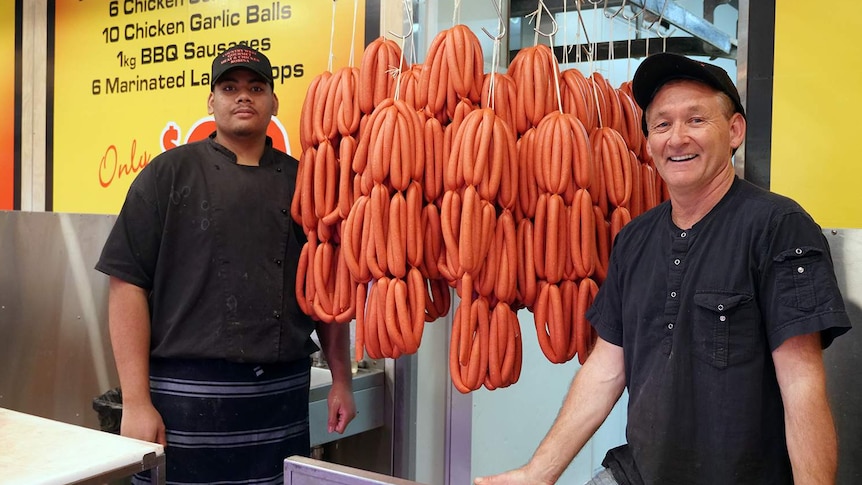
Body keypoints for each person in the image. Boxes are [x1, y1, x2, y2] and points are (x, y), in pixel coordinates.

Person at [475, 52, 851, 485]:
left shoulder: (778, 227)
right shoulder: (634, 240)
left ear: (734, 131)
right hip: (636, 474)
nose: (676, 139)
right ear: (649, 142)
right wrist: (536, 473)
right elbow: (606, 369)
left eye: (696, 120)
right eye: (662, 124)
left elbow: (802, 386)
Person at [96, 45, 356, 484]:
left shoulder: (304, 184)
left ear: (273, 102)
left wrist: (342, 380)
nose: (243, 97)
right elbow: (126, 284)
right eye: (230, 87)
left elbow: (327, 291)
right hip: (184, 400)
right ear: (211, 101)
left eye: (256, 87)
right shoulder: (168, 175)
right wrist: (138, 403)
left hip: (280, 399)